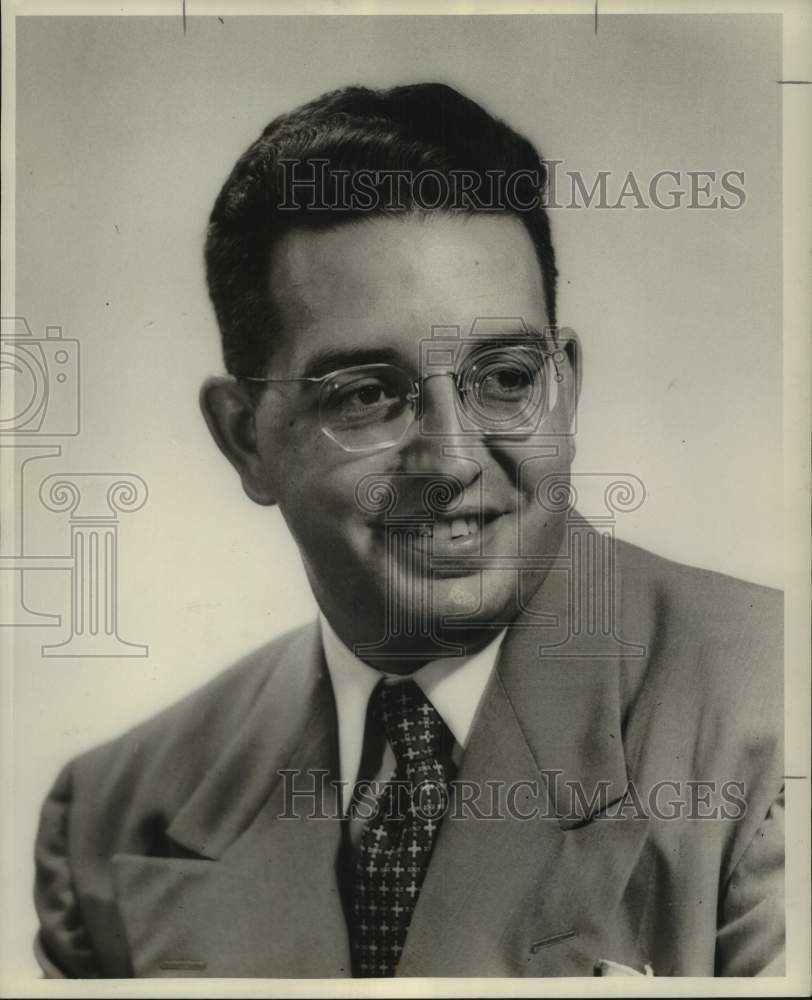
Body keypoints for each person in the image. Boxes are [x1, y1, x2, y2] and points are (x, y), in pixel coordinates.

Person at [33, 83, 784, 979]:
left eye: (505, 377)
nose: (454, 461)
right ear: (245, 440)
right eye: (365, 395)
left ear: (567, 390)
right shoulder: (114, 817)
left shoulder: (774, 715)